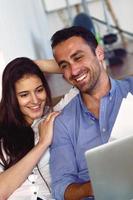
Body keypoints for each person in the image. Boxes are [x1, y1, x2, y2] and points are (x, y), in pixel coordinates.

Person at [48, 26, 133, 200]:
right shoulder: (63, 122)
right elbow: (60, 187)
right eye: (64, 65)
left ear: (99, 53)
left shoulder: (131, 89)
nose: (73, 71)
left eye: (78, 58)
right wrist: (92, 187)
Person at [0, 57, 60, 200]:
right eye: (24, 94)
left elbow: (81, 68)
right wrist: (42, 144)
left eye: (39, 90)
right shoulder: (2, 137)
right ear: (11, 97)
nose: (35, 100)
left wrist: (33, 65)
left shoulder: (55, 115)